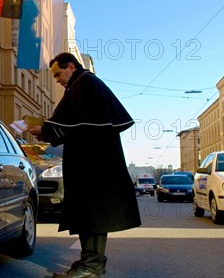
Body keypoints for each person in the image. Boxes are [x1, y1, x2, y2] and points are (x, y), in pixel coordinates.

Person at [27, 53, 141, 278]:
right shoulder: (83, 84)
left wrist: (46, 130)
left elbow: (79, 123)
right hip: (93, 164)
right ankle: (91, 263)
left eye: (59, 74)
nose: (57, 80)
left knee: (92, 213)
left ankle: (91, 266)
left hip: (93, 167)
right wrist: (48, 132)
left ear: (71, 66)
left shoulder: (85, 83)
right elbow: (75, 125)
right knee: (90, 213)